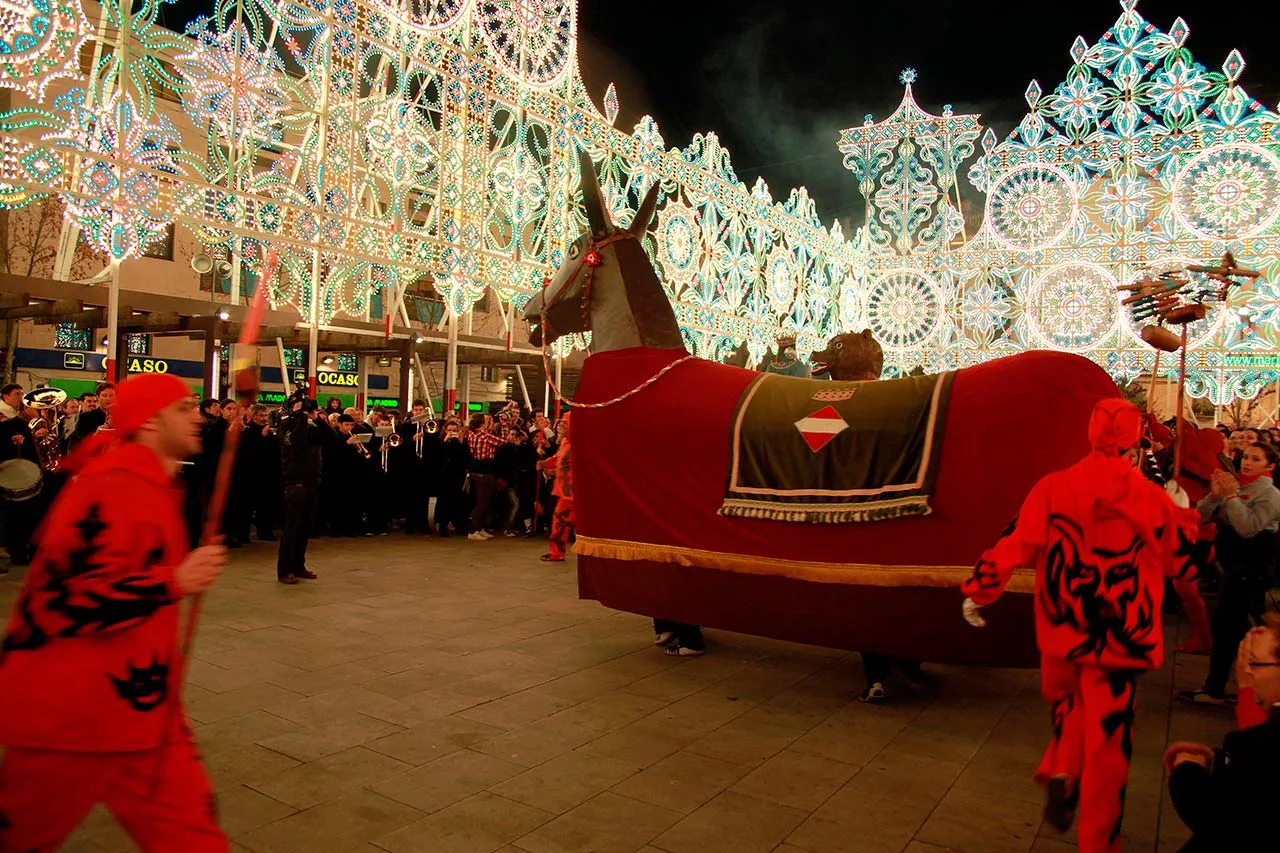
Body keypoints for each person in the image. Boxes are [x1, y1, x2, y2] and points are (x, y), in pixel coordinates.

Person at [0, 373, 230, 849]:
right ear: (149, 423)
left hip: (140, 707)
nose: (198, 417)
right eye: (184, 408)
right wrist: (175, 580)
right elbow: (68, 599)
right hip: (77, 713)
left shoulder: (150, 480)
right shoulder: (121, 484)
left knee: (192, 836)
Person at [960, 398, 1196, 853]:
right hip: (1123, 633)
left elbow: (1018, 541)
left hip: (1064, 625)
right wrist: (1183, 515)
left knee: (1069, 706)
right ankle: (1098, 839)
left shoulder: (1054, 486)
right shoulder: (1148, 496)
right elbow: (1179, 563)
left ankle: (1063, 768)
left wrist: (980, 588)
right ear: (1134, 441)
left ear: (1089, 433)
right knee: (1108, 739)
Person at [1178, 442, 1280, 705]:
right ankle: (1228, 686)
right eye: (1245, 457)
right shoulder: (1233, 484)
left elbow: (1248, 527)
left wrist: (1232, 497)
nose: (1246, 462)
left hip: (1251, 568)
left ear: (1270, 466)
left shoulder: (1269, 494)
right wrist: (1214, 496)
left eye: (1255, 459)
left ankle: (1222, 687)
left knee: (1234, 630)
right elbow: (1199, 518)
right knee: (1234, 630)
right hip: (1232, 566)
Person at [1165, 623, 1280, 850]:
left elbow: (1216, 818)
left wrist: (1187, 769)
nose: (1245, 670)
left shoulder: (1258, 744)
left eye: (1254, 662)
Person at [277, 394, 327, 585]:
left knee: (305, 527)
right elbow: (296, 440)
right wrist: (299, 416)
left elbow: (330, 437)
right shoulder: (286, 426)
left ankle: (299, 565)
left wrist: (316, 418)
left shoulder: (311, 427)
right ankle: (285, 570)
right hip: (295, 481)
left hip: (312, 480)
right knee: (292, 528)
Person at [465, 414, 503, 540]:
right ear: (482, 423)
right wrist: (504, 425)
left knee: (480, 500)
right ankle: (473, 530)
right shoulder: (485, 436)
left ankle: (479, 528)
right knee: (482, 502)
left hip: (475, 470)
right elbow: (503, 441)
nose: (489, 421)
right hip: (485, 471)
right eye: (487, 420)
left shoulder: (471, 434)